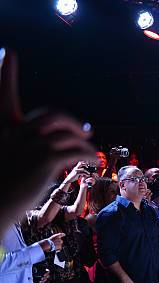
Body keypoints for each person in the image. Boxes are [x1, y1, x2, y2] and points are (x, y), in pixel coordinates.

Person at [0, 48, 96, 237]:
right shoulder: (41, 193)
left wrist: (82, 186)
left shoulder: (19, 206)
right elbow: (43, 219)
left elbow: (69, 212)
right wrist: (68, 182)